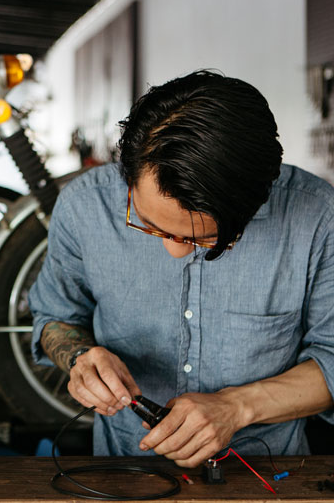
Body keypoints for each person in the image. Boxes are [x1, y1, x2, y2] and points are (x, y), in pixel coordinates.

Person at [29, 70, 334, 468]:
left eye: (202, 240)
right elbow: (55, 316)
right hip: (123, 468)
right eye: (148, 224)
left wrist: (236, 407)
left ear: (256, 202)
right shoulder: (84, 207)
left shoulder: (317, 217)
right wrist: (80, 357)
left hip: (266, 473)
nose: (174, 252)